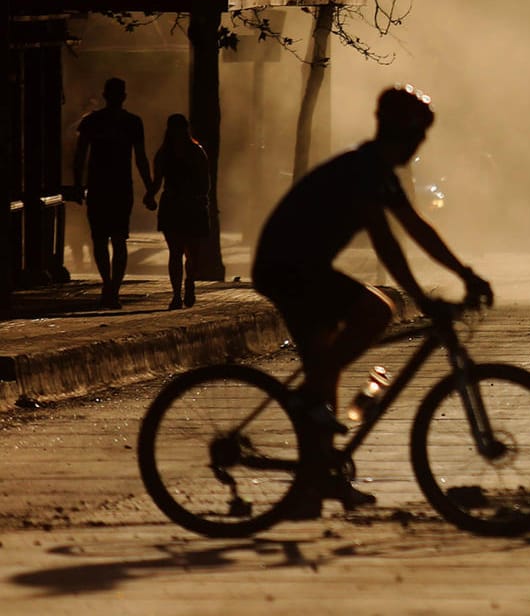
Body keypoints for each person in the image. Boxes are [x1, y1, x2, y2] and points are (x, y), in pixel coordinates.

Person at [252, 85, 492, 511]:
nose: (419, 147)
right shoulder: (363, 170)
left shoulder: (377, 171)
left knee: (326, 377)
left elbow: (416, 228)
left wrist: (465, 273)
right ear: (401, 133)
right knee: (376, 310)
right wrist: (420, 296)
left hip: (301, 266)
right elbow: (385, 241)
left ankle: (316, 483)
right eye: (417, 139)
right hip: (287, 267)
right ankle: (310, 413)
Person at [73, 77, 154, 309]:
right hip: (121, 187)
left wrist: (79, 184)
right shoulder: (132, 123)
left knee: (99, 239)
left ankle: (108, 284)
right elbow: (140, 158)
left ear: (105, 96)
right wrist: (149, 187)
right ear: (124, 96)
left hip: (98, 186)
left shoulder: (91, 122)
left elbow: (80, 157)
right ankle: (113, 288)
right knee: (119, 240)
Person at [145, 114, 210, 309]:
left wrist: (151, 195)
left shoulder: (192, 152)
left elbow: (205, 183)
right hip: (179, 205)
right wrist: (150, 195)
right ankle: (177, 293)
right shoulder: (176, 153)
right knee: (177, 252)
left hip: (182, 204)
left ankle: (188, 284)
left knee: (189, 253)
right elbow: (158, 181)